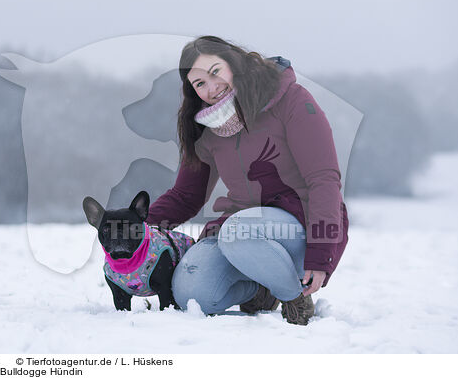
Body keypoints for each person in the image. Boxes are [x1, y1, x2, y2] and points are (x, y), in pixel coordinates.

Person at [145, 36, 349, 325]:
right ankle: (261, 287)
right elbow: (186, 196)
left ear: (234, 63)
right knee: (191, 294)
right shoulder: (207, 126)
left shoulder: (291, 100)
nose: (211, 88)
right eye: (200, 84)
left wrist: (321, 254)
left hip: (301, 228)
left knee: (238, 231)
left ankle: (293, 295)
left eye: (215, 72)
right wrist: (137, 225)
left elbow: (324, 179)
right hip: (240, 234)